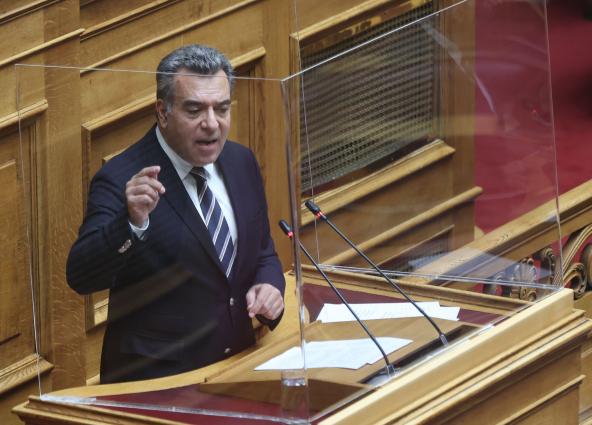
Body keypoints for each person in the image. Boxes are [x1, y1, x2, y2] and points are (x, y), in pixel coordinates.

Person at [66, 45, 285, 384]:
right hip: (159, 384)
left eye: (221, 109)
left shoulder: (241, 161)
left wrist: (269, 284)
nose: (211, 124)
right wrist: (131, 223)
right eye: (195, 110)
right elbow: (81, 276)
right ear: (163, 112)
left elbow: (262, 252)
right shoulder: (122, 178)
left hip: (237, 368)